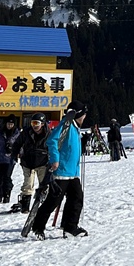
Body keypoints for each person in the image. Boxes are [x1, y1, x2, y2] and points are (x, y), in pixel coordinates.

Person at [28, 102, 89, 239]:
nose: (84, 117)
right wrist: (55, 159)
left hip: (72, 172)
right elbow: (51, 141)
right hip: (61, 171)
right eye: (84, 114)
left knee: (76, 199)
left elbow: (69, 147)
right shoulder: (66, 124)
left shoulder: (74, 127)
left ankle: (70, 227)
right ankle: (37, 228)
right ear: (78, 114)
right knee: (53, 201)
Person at [12, 113, 50, 213]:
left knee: (44, 184)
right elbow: (17, 144)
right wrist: (14, 154)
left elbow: (54, 147)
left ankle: (45, 204)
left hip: (42, 163)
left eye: (36, 123)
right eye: (33, 123)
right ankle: (25, 205)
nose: (34, 126)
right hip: (28, 162)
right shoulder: (26, 133)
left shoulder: (48, 134)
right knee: (27, 184)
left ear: (42, 124)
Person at [0, 116, 20, 204]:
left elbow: (21, 145)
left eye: (11, 124)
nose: (10, 126)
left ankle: (6, 195)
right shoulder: (0, 133)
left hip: (10, 160)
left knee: (7, 177)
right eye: (8, 124)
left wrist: (16, 152)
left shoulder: (17, 134)